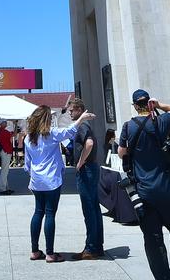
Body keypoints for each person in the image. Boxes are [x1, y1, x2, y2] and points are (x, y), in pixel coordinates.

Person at [119, 90, 170, 280]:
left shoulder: (128, 126)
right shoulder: (160, 122)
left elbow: (121, 152)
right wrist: (158, 106)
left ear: (134, 105)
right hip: (166, 188)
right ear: (148, 104)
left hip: (143, 191)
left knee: (152, 238)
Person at [23, 104, 95, 264]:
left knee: (37, 212)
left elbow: (27, 163)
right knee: (50, 214)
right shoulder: (52, 134)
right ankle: (50, 253)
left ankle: (34, 251)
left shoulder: (28, 138)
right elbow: (69, 131)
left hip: (36, 181)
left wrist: (33, 174)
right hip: (51, 180)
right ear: (47, 120)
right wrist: (82, 118)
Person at [65, 96, 104, 260]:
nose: (69, 113)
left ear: (79, 110)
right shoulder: (84, 125)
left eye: (71, 110)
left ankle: (91, 248)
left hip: (87, 169)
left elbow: (89, 144)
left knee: (89, 209)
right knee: (94, 208)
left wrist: (80, 162)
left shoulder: (82, 125)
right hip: (92, 168)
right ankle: (97, 245)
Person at [0, 120, 13, 195]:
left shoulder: (1, 131)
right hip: (6, 151)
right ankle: (3, 188)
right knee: (4, 171)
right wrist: (15, 124)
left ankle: (6, 187)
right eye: (4, 122)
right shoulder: (3, 131)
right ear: (1, 124)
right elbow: (14, 134)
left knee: (5, 170)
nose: (6, 123)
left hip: (5, 151)